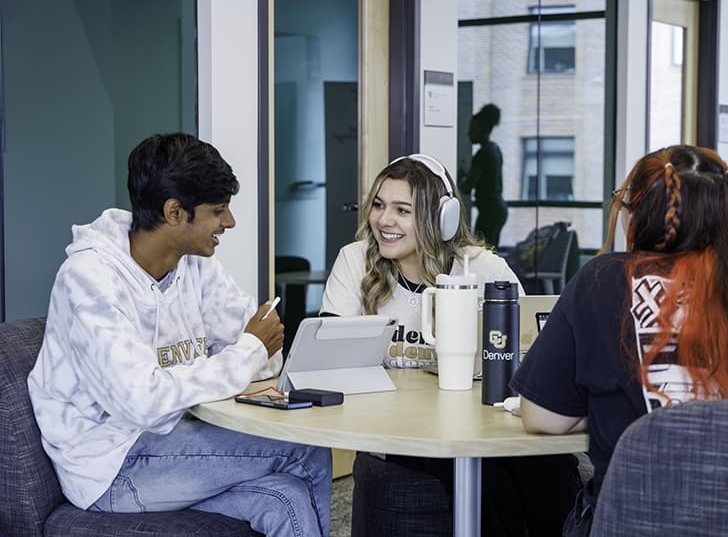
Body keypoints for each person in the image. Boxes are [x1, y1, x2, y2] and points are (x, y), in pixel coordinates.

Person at [27, 133, 332, 537]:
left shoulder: (194, 266)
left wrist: (249, 351)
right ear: (174, 212)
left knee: (284, 498)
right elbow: (146, 402)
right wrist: (246, 351)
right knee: (306, 447)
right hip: (110, 467)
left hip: (175, 444)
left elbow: (265, 356)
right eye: (218, 211)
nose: (230, 222)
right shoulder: (89, 279)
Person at [511, 145, 728, 537]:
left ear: (637, 212)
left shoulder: (605, 281)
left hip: (642, 523)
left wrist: (601, 406)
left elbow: (542, 418)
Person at [321, 153, 581, 536]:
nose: (383, 220)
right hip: (399, 430)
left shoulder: (482, 268)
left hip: (479, 425)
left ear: (441, 217)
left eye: (402, 210)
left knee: (551, 467)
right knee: (483, 474)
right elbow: (329, 355)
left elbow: (530, 352)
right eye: (378, 205)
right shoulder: (356, 261)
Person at [459, 103, 507, 247]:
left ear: (481, 129)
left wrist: (461, 178)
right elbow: (487, 178)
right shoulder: (495, 150)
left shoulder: (482, 154)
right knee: (491, 252)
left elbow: (467, 187)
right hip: (498, 209)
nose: (468, 133)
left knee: (482, 253)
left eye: (472, 129)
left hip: (489, 212)